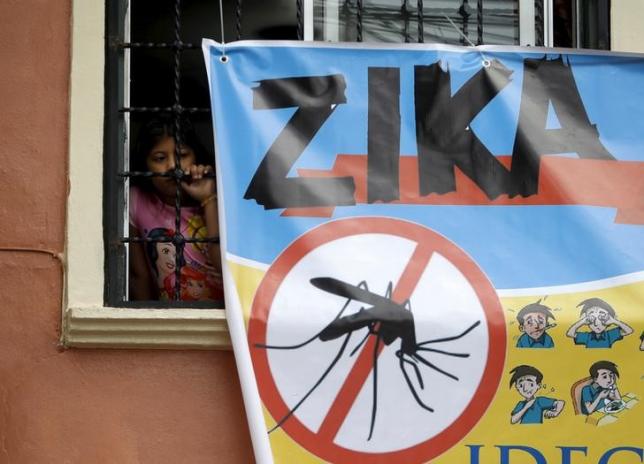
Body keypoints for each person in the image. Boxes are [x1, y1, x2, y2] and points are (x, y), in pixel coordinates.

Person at [129, 117, 223, 301]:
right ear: (145, 164)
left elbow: (223, 264)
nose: (173, 166)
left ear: (196, 157)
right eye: (160, 158)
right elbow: (138, 275)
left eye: (182, 155)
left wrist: (208, 199)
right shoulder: (136, 200)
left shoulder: (220, 196)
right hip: (169, 320)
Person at [566, 298, 633, 348]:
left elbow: (629, 331)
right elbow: (570, 334)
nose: (596, 323)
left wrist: (614, 321)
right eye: (592, 319)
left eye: (602, 318)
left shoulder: (609, 335)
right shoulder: (587, 337)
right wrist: (582, 321)